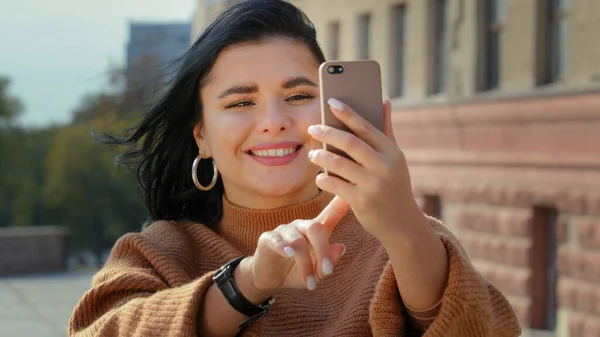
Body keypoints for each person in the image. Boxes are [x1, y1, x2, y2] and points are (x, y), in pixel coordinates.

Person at [68, 0, 521, 336]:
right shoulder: (158, 253)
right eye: (241, 101)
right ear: (200, 134)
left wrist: (405, 229)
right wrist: (249, 281)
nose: (274, 122)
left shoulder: (408, 239)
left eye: (299, 96)